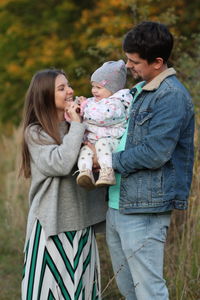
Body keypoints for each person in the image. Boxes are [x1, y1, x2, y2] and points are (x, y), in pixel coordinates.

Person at [104, 21, 194, 299]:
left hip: (144, 209)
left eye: (134, 61)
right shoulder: (139, 91)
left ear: (157, 62)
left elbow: (155, 153)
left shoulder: (171, 96)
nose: (128, 66)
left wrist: (107, 161)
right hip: (118, 204)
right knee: (128, 289)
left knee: (149, 291)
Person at [20, 68, 107, 299]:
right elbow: (61, 163)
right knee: (46, 292)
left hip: (81, 223)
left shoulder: (79, 126)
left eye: (68, 85)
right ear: (46, 95)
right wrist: (78, 125)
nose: (70, 91)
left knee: (81, 292)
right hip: (51, 224)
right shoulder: (36, 132)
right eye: (61, 88)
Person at [68, 60, 133, 189]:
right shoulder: (97, 101)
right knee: (85, 150)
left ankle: (107, 172)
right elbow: (88, 113)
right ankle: (85, 173)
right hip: (95, 141)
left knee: (102, 144)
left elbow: (102, 116)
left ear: (113, 89)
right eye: (93, 86)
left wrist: (85, 106)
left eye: (99, 87)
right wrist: (77, 107)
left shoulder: (117, 103)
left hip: (111, 141)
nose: (93, 91)